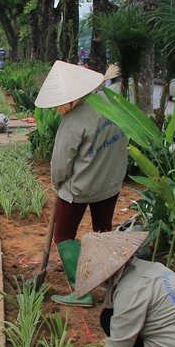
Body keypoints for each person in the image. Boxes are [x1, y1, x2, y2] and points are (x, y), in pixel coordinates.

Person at [34, 60, 128, 307]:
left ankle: (81, 291)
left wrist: (57, 184)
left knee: (64, 233)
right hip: (110, 183)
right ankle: (112, 283)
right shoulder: (112, 104)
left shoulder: (74, 121)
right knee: (102, 230)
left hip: (79, 188)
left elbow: (60, 165)